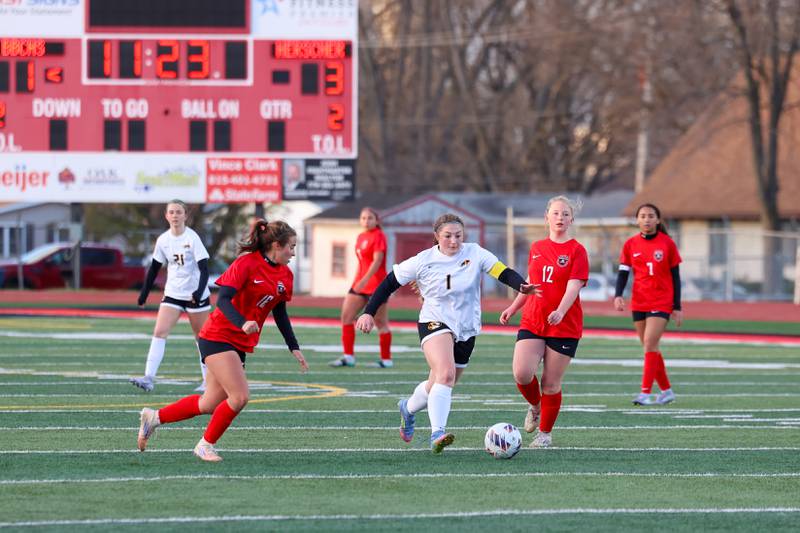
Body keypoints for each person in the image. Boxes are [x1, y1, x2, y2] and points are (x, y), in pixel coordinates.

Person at [356, 213, 536, 453]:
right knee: (446, 374)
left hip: (467, 327)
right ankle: (437, 433)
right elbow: (389, 283)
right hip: (434, 321)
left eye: (458, 236)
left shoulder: (474, 252)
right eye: (448, 236)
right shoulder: (423, 260)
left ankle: (407, 408)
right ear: (436, 237)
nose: (454, 241)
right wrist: (369, 312)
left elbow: (502, 271)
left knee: (440, 382)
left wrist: (520, 285)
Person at [137, 219, 308, 462]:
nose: (293, 252)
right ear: (276, 245)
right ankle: (205, 445)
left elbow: (279, 312)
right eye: (291, 246)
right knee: (239, 397)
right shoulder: (246, 263)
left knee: (208, 403)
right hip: (218, 336)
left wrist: (294, 347)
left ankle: (154, 418)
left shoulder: (285, 275)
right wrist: (242, 323)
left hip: (238, 344)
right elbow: (224, 300)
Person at [500, 196, 589, 449]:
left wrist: (561, 311)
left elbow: (573, 288)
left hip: (565, 324)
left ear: (571, 219)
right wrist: (514, 306)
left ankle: (545, 434)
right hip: (533, 318)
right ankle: (535, 405)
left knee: (550, 382)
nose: (560, 218)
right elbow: (530, 283)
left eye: (565, 214)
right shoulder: (537, 247)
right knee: (521, 372)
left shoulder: (577, 250)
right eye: (556, 213)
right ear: (547, 217)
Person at [131, 200, 211, 393]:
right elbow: (154, 269)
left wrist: (198, 293)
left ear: (185, 215)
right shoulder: (163, 240)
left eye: (179, 212)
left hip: (195, 294)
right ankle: (148, 378)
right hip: (173, 293)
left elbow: (204, 269)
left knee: (202, 338)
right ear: (166, 216)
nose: (175, 215)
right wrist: (144, 294)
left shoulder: (192, 238)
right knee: (159, 332)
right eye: (171, 212)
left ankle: (209, 382)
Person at [614, 203, 682, 406]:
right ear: (637, 220)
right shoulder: (630, 244)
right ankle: (667, 391)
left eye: (651, 216)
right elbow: (623, 273)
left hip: (662, 301)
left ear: (658, 220)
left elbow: (676, 277)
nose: (646, 219)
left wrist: (677, 306)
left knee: (650, 344)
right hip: (639, 301)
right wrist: (618, 295)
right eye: (642, 216)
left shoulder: (667, 243)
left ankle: (645, 393)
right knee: (649, 346)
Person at [330, 207, 393, 368]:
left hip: (377, 285)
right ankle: (348, 357)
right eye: (363, 218)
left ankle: (386, 360)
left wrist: (364, 280)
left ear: (376, 220)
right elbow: (362, 263)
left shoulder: (379, 236)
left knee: (380, 322)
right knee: (346, 317)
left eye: (370, 218)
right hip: (360, 285)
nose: (366, 221)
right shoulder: (361, 236)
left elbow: (377, 261)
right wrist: (356, 282)